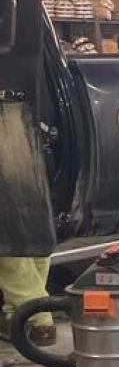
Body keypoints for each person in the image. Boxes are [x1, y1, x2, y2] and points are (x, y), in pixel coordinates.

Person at [0, 100, 56, 348]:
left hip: (7, 115)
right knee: (32, 226)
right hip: (26, 116)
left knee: (9, 233)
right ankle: (17, 318)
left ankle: (37, 316)